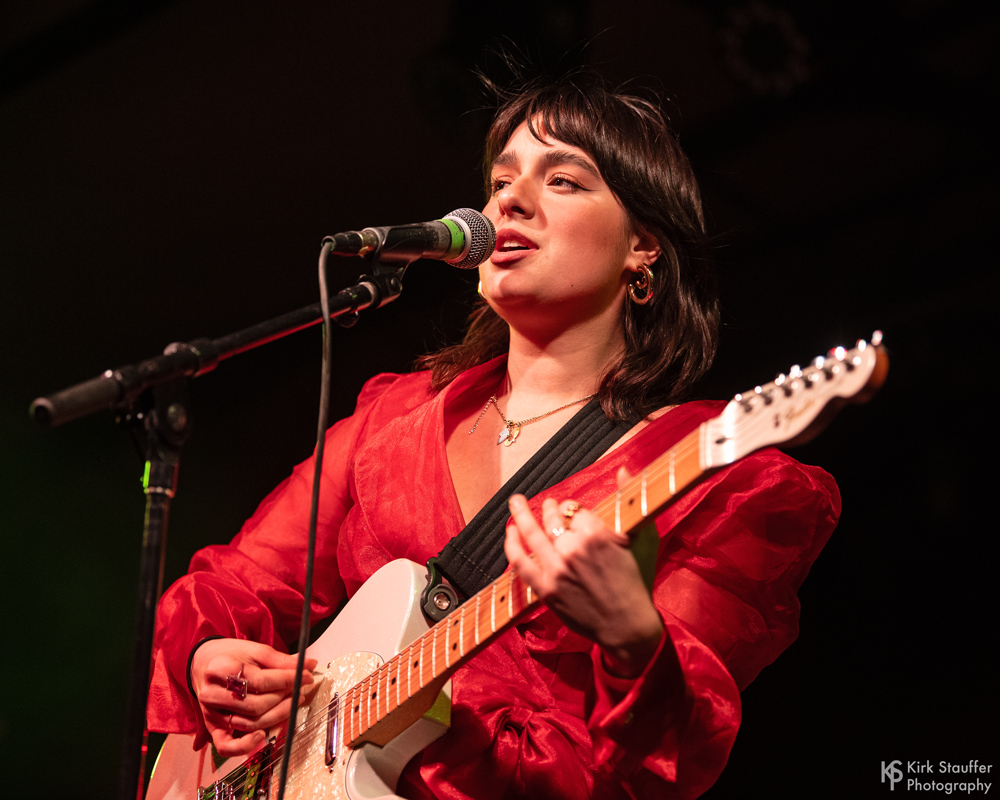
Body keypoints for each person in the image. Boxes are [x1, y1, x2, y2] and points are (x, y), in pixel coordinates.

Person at [147, 75, 839, 799]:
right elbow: (236, 580)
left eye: (563, 180)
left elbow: (663, 760)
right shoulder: (394, 417)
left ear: (643, 247)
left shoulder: (721, 479)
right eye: (502, 181)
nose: (509, 200)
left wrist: (633, 639)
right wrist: (209, 655)